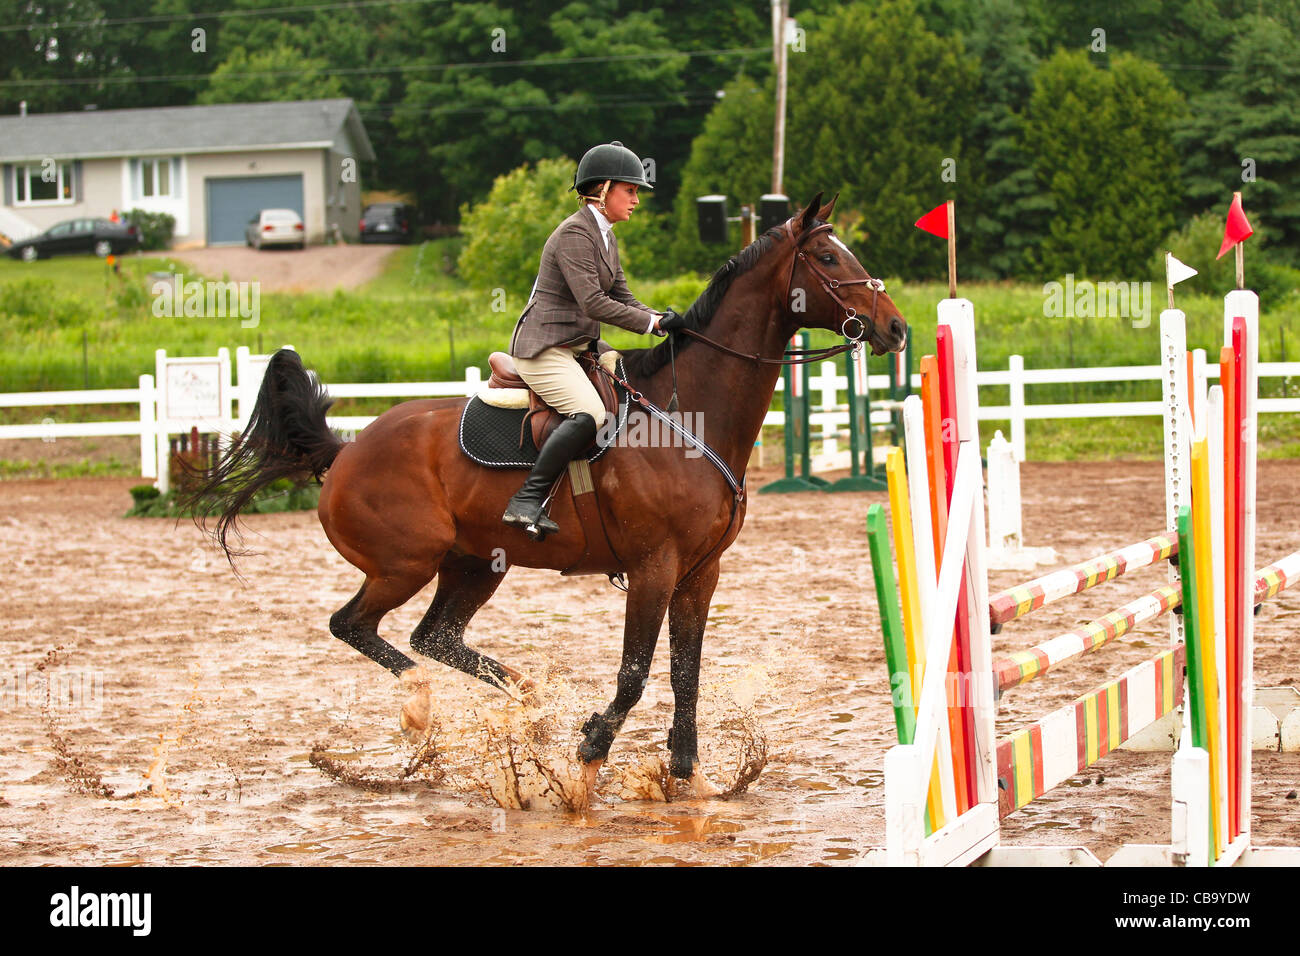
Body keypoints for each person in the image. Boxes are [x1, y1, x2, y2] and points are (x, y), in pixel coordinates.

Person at [502, 141, 685, 538]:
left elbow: (623, 297)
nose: (636, 199)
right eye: (630, 190)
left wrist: (662, 318)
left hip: (579, 346)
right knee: (590, 414)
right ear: (603, 190)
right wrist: (649, 326)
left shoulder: (606, 236)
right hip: (545, 348)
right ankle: (526, 500)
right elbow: (595, 302)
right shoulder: (575, 234)